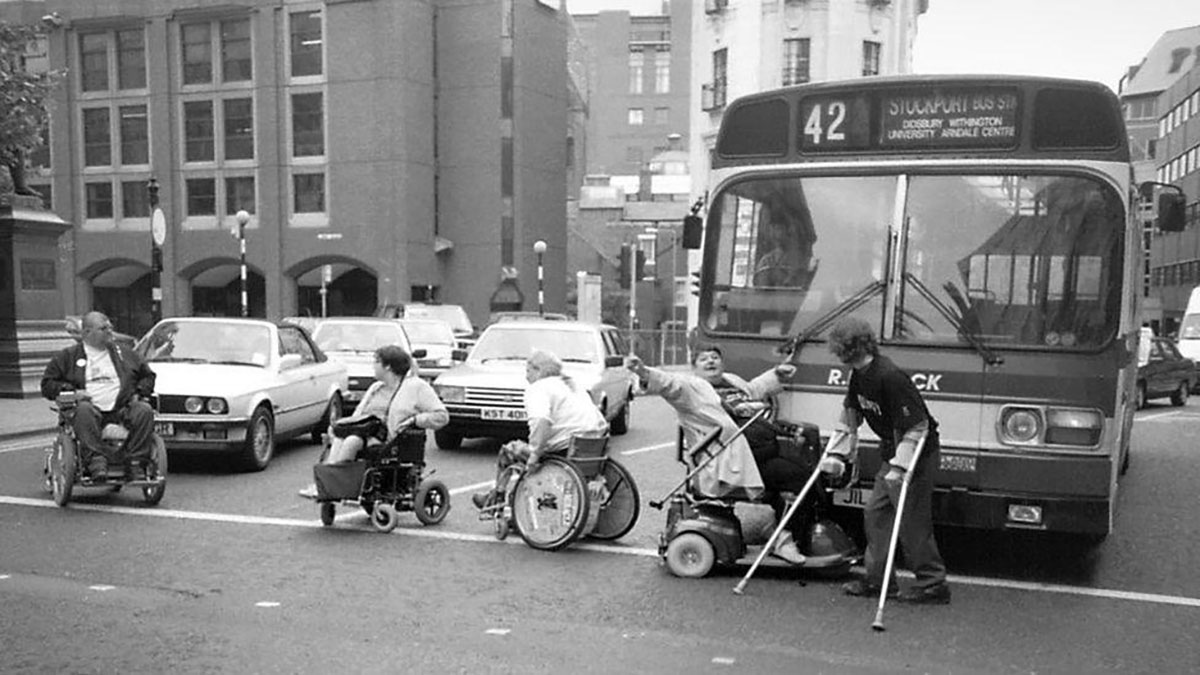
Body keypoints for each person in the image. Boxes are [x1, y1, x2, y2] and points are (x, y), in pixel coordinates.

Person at [625, 345, 810, 565]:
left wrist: (777, 373)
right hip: (727, 461)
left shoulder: (731, 381)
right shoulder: (691, 388)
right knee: (800, 479)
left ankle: (779, 529)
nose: (711, 361)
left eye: (715, 357)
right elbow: (669, 384)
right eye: (704, 359)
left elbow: (754, 388)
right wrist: (644, 372)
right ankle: (782, 539)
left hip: (757, 455)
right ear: (694, 368)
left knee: (807, 471)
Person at [818, 317, 951, 604]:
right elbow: (851, 413)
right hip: (891, 452)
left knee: (912, 520)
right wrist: (837, 451)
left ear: (847, 348)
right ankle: (879, 581)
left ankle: (933, 584)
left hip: (916, 455)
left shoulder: (889, 376)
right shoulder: (858, 376)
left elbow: (918, 426)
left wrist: (900, 467)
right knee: (876, 514)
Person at [299, 345, 447, 497]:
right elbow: (358, 416)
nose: (372, 366)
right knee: (340, 437)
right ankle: (329, 485)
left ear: (388, 367)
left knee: (351, 441)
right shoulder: (376, 387)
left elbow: (442, 416)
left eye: (376, 362)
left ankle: (332, 486)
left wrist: (416, 420)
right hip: (366, 431)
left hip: (391, 439)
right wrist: (339, 426)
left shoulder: (416, 387)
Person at [472, 350, 608, 509]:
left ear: (539, 371)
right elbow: (601, 423)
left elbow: (541, 421)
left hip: (563, 451)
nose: (526, 376)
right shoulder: (573, 386)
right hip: (590, 449)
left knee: (509, 451)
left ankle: (497, 499)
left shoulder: (539, 388)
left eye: (528, 371)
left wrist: (535, 454)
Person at [40, 311, 157, 480]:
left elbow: (148, 376)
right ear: (87, 332)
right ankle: (96, 461)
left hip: (121, 409)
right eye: (104, 328)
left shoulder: (125, 354)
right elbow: (47, 385)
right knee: (84, 410)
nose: (110, 331)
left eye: (110, 327)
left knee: (144, 410)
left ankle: (136, 462)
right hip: (88, 411)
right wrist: (72, 392)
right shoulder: (66, 357)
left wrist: (139, 392)